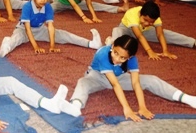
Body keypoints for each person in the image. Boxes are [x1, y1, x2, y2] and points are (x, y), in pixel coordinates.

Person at [67, 35, 196, 119]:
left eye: (123, 58)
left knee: (152, 80)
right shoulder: (103, 54)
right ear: (112, 47)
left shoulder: (132, 59)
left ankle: (187, 98)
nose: (117, 59)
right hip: (97, 77)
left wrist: (142, 107)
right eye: (115, 53)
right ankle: (75, 105)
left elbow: (136, 83)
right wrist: (127, 108)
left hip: (119, 77)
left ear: (130, 57)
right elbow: (115, 85)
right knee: (82, 82)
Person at [0, 0, 103, 58]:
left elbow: (51, 27)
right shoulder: (27, 7)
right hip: (23, 30)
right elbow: (28, 29)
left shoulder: (48, 7)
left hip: (40, 30)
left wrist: (52, 46)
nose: (43, 0)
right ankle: (7, 45)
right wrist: (36, 47)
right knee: (17, 39)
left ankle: (90, 43)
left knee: (64, 35)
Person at [107, 1, 196, 60]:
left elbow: (160, 34)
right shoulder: (132, 13)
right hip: (127, 30)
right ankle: (110, 48)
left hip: (144, 31)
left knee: (166, 33)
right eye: (145, 20)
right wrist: (149, 51)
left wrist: (165, 51)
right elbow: (139, 36)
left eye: (151, 22)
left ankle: (193, 42)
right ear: (140, 14)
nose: (147, 23)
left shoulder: (155, 17)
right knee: (117, 30)